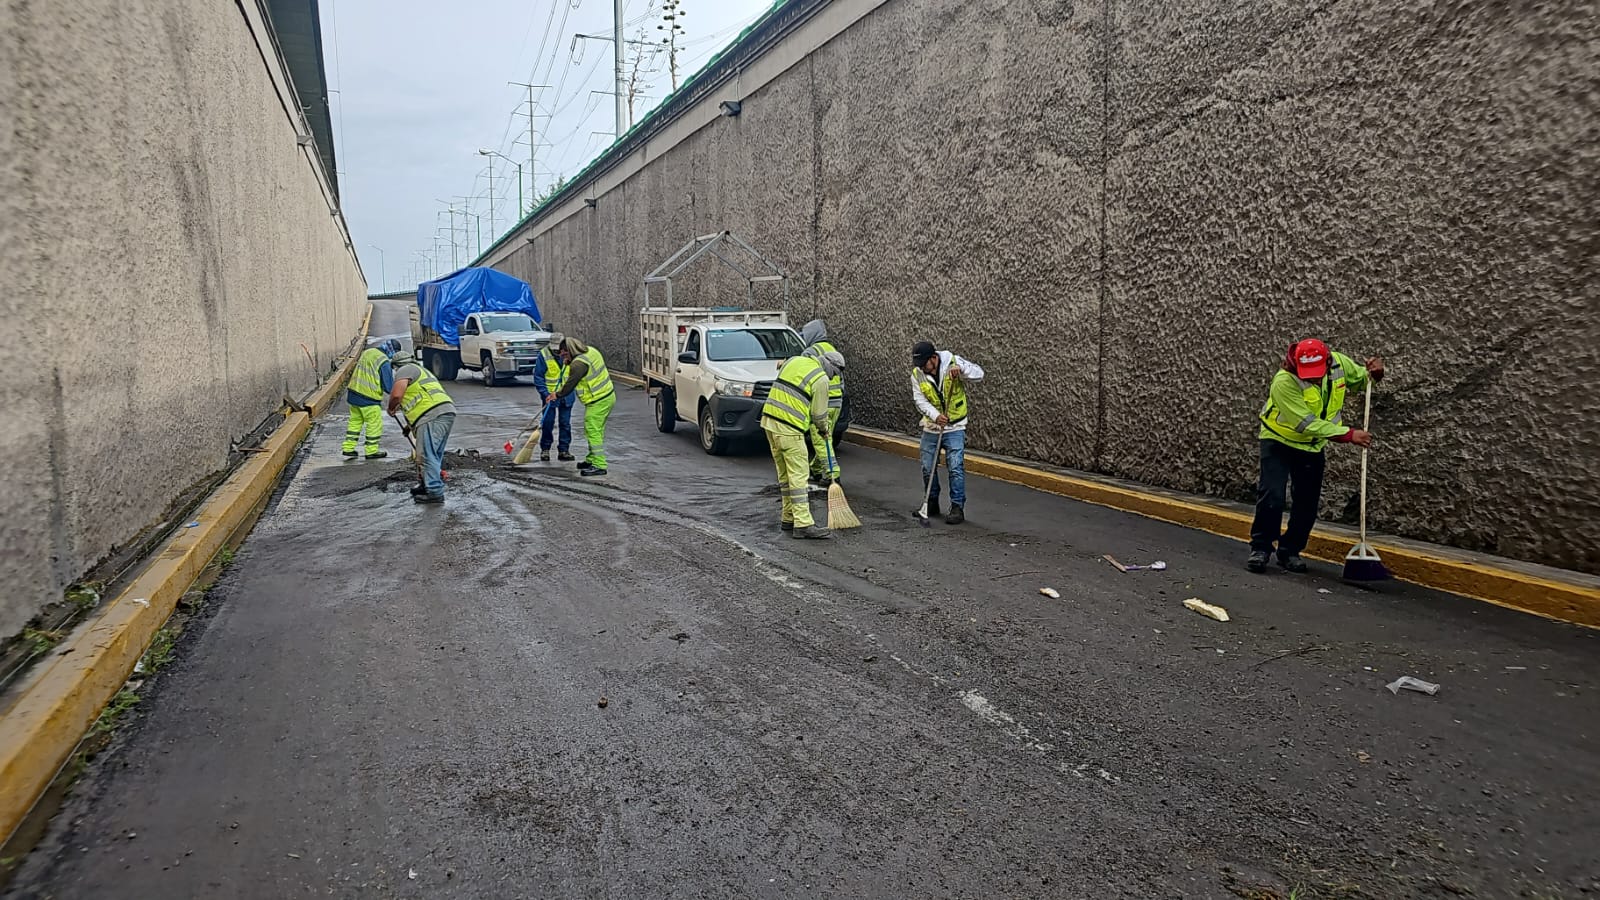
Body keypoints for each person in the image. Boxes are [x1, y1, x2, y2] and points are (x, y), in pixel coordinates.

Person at [1248, 338, 1385, 573]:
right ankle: (1261, 548)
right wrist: (1348, 435)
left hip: (1312, 447)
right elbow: (1306, 424)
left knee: (1307, 503)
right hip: (1278, 440)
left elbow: (1362, 381)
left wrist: (1375, 373)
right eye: (1306, 373)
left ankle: (1289, 550)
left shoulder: (1339, 365)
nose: (1311, 378)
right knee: (1272, 495)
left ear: (1328, 362)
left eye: (1316, 373)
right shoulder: (1284, 381)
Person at [761, 349, 846, 539]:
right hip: (790, 428)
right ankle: (803, 524)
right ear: (830, 366)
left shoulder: (794, 361)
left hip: (769, 422)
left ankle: (788, 517)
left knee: (785, 476)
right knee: (799, 477)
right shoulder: (821, 380)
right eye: (835, 373)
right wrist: (824, 429)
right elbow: (819, 415)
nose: (833, 377)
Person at [911, 340, 984, 525]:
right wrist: (936, 416)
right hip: (932, 427)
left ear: (934, 358)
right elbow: (920, 400)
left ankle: (957, 507)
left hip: (955, 426)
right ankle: (931, 502)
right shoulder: (917, 374)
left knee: (955, 467)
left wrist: (961, 370)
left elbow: (979, 374)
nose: (923, 369)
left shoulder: (953, 361)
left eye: (925, 364)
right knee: (928, 466)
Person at [387, 354, 456, 504]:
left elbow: (397, 395)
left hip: (431, 415)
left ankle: (434, 491)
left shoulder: (405, 370)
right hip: (444, 412)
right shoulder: (421, 370)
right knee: (432, 453)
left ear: (396, 366)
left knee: (426, 455)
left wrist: (391, 407)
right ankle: (426, 485)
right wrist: (409, 427)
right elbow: (419, 400)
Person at [546, 336, 614, 476]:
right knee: (596, 430)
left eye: (564, 353)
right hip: (607, 396)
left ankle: (599, 464)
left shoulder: (578, 364)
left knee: (592, 431)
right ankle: (591, 459)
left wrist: (556, 395)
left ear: (570, 350)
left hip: (598, 400)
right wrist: (569, 361)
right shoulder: (591, 351)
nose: (562, 356)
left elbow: (570, 384)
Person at [799, 319, 845, 489]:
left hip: (822, 403)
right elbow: (841, 379)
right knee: (826, 439)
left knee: (819, 440)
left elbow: (806, 378)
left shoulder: (810, 352)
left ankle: (833, 475)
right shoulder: (832, 349)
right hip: (837, 402)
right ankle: (816, 469)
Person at [342, 339, 400, 460]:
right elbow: (389, 387)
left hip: (354, 393)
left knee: (355, 422)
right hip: (369, 398)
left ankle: (348, 448)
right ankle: (371, 451)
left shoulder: (368, 352)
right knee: (374, 424)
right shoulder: (383, 361)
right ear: (392, 351)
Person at [533, 329, 575, 462]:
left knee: (565, 423)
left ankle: (564, 450)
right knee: (548, 423)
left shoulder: (571, 355)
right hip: (549, 397)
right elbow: (538, 377)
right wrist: (545, 393)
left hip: (566, 395)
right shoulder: (544, 355)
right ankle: (545, 449)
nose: (558, 352)